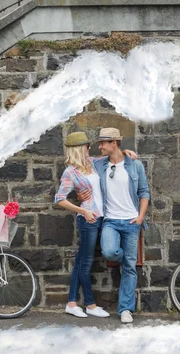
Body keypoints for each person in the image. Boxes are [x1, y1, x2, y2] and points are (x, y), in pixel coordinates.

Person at [54, 131, 137, 318]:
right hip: (88, 219)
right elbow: (59, 199)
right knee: (86, 262)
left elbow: (112, 156)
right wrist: (83, 210)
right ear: (79, 149)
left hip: (101, 217)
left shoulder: (92, 163)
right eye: (87, 146)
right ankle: (90, 305)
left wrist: (126, 152)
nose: (90, 148)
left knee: (82, 260)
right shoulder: (70, 172)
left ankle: (72, 303)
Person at [92, 127, 150, 324]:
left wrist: (141, 217)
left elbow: (144, 192)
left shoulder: (135, 166)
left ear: (113, 143)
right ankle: (126, 258)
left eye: (102, 143)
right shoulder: (100, 165)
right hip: (110, 221)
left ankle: (125, 309)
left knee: (129, 269)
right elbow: (80, 166)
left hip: (132, 222)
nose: (99, 146)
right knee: (109, 252)